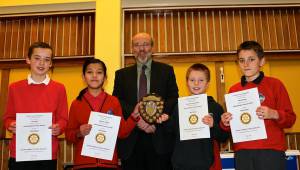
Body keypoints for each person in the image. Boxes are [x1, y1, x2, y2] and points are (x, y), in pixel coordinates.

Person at [65, 58, 169, 170]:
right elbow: (69, 135)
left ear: (105, 77)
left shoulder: (113, 101)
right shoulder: (76, 104)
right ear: (83, 77)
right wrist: (79, 132)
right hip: (83, 164)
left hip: (109, 164)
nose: (94, 75)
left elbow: (122, 132)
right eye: (90, 72)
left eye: (99, 72)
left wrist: (133, 116)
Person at [220, 40, 296, 170]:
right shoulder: (234, 89)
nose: (246, 64)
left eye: (251, 59)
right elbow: (233, 125)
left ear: (261, 61)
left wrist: (274, 113)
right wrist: (225, 123)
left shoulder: (275, 84)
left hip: (270, 151)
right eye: (242, 60)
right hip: (242, 152)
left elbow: (290, 119)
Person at [113, 32, 179, 170]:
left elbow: (173, 98)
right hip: (131, 140)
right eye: (137, 45)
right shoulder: (121, 75)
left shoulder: (167, 71)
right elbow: (117, 101)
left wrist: (153, 119)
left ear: (152, 48)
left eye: (145, 44)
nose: (141, 49)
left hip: (159, 136)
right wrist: (138, 120)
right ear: (132, 50)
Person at [3, 42, 68, 170]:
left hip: (47, 152)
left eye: (46, 60)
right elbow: (8, 117)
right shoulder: (14, 88)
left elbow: (63, 119)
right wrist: (11, 125)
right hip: (20, 152)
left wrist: (59, 128)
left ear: (51, 63)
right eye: (37, 58)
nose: (41, 63)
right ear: (28, 60)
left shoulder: (59, 88)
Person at [167, 63, 228, 170]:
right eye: (192, 80)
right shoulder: (178, 107)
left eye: (201, 80)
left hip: (207, 165)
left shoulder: (216, 107)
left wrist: (213, 125)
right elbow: (171, 133)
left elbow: (224, 138)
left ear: (207, 83)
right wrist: (165, 121)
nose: (196, 83)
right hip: (181, 164)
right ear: (187, 82)